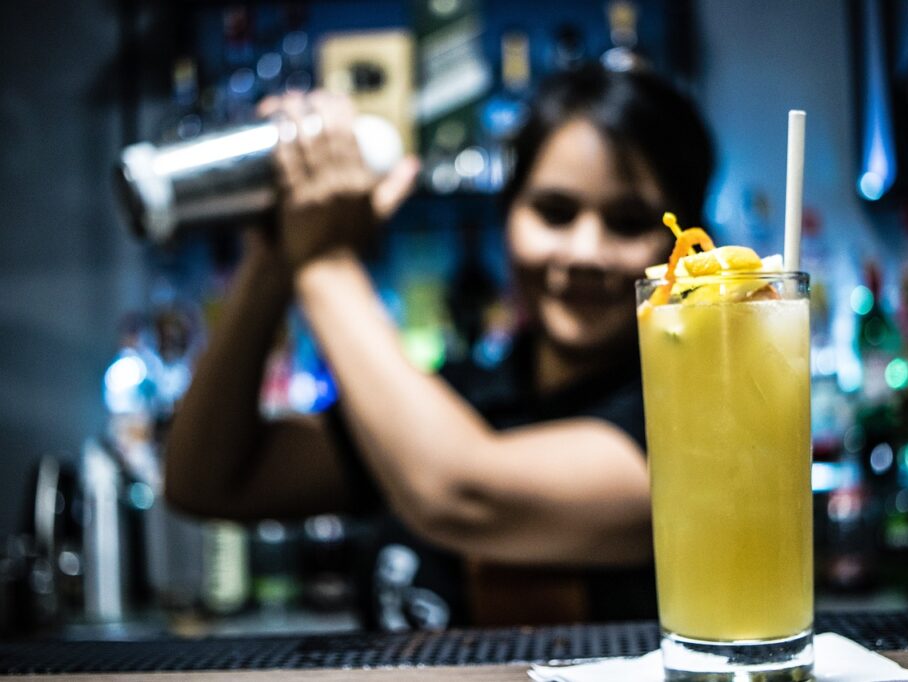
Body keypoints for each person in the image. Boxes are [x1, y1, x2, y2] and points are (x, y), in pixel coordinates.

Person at [163, 63, 715, 627]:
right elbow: (209, 481)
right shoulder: (457, 395)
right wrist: (273, 255)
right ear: (508, 217)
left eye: (627, 222)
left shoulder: (689, 434)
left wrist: (324, 260)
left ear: (684, 242)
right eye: (554, 212)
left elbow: (462, 492)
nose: (583, 252)